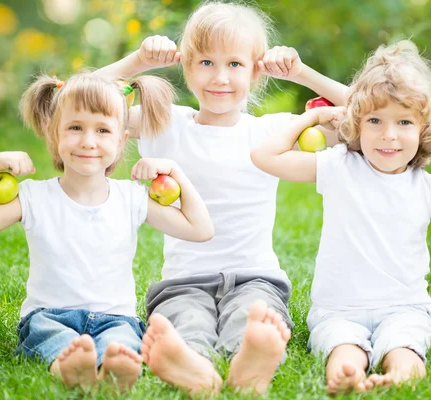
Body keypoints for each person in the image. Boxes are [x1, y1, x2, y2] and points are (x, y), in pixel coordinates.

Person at [94, 1, 349, 396]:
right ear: (187, 66)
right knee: (186, 324)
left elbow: (368, 117)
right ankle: (193, 365)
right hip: (184, 282)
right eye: (207, 63)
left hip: (255, 278)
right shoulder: (163, 121)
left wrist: (302, 73)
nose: (220, 78)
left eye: (235, 65)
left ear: (256, 70)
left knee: (254, 321)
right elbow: (72, 102)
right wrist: (137, 61)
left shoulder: (274, 132)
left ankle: (251, 360)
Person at [250, 39, 431, 395]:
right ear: (355, 124)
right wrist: (312, 117)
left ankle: (398, 375)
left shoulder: (426, 187)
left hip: (404, 309)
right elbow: (265, 157)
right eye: (374, 120)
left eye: (403, 122)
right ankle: (348, 375)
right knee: (342, 348)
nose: (388, 135)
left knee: (404, 348)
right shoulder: (339, 166)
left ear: (424, 128)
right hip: (338, 310)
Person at [0, 71, 213, 392]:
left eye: (102, 130)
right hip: (49, 315)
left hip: (116, 318)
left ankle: (114, 368)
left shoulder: (131, 198)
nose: (88, 141)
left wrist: (176, 173)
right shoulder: (35, 197)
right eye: (75, 128)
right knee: (51, 335)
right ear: (53, 133)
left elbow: (200, 229)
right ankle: (70, 366)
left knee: (121, 342)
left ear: (120, 141)